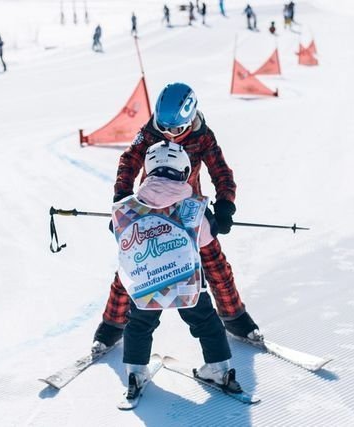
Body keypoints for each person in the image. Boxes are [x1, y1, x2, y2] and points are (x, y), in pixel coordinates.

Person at [92, 82, 262, 355]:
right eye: (163, 128)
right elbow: (129, 163)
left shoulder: (203, 137)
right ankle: (113, 324)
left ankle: (234, 317)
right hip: (150, 208)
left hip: (188, 211)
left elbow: (221, 173)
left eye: (176, 130)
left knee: (215, 264)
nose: (168, 135)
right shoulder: (149, 133)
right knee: (135, 265)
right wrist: (122, 201)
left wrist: (225, 206)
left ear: (191, 118)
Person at [115, 141, 242, 400]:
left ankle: (135, 373)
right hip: (187, 282)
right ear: (184, 171)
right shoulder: (194, 207)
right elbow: (206, 238)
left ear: (149, 169)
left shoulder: (128, 207)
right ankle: (219, 369)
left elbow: (118, 233)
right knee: (206, 321)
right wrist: (212, 222)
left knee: (139, 324)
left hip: (147, 283)